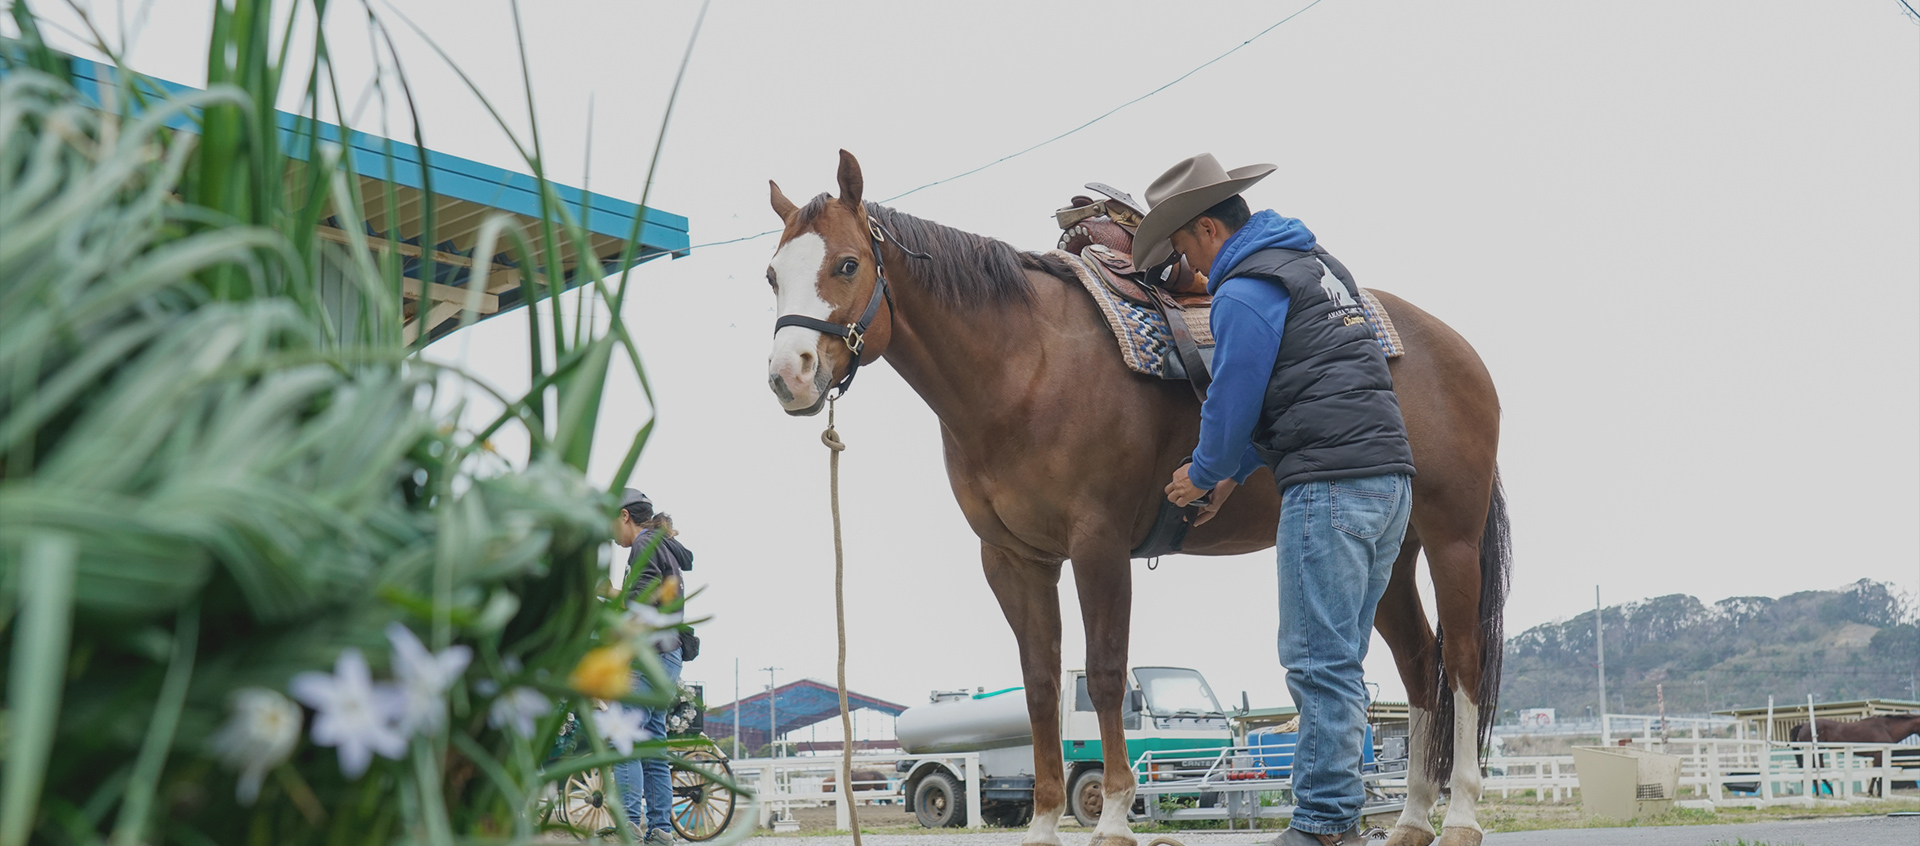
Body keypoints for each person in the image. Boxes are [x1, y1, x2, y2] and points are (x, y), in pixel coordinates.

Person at [1139, 154, 1416, 846]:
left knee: (1315, 661)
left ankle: (1322, 824)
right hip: (1388, 481)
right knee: (1341, 661)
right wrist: (1239, 472)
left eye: (1184, 251)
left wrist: (1203, 471)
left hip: (1328, 491)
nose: (1191, 271)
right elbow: (1313, 389)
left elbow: (1235, 398)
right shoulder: (1317, 265)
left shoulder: (1243, 289)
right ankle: (1342, 818)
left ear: (1208, 228)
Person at [611, 488, 691, 844]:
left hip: (649, 652)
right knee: (653, 741)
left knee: (625, 735)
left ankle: (628, 824)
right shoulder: (665, 546)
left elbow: (642, 600)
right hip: (670, 652)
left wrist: (610, 595)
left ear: (625, 516)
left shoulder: (644, 543)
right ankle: (660, 829)